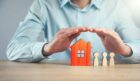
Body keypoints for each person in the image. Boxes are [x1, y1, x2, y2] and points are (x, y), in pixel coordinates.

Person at [7, 0, 140, 63]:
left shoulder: (116, 6)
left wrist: (125, 50)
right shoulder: (43, 4)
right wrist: (47, 48)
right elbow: (14, 50)